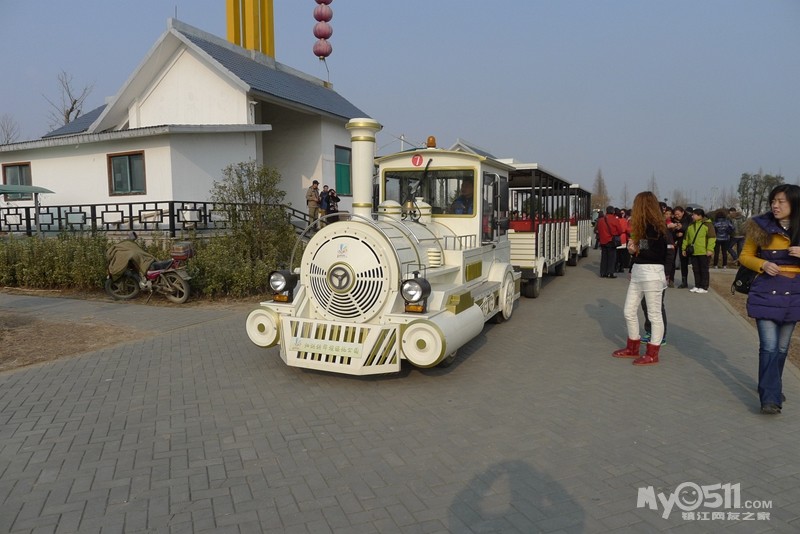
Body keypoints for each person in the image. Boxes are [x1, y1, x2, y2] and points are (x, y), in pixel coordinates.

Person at [739, 184, 800, 415]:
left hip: (794, 293)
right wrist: (762, 264)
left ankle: (772, 384)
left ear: (794, 203)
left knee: (783, 348)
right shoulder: (760, 226)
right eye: (774, 200)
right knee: (769, 347)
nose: (775, 205)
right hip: (766, 291)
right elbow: (745, 256)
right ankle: (770, 397)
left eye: (781, 201)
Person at [612, 191, 669, 365]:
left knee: (654, 314)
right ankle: (633, 346)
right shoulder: (645, 226)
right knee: (629, 311)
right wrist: (635, 251)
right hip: (639, 271)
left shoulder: (656, 227)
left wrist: (635, 248)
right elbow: (645, 250)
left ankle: (652, 352)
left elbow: (657, 254)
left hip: (651, 273)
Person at [682, 208, 715, 293]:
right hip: (693, 251)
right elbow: (686, 238)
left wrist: (710, 249)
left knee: (703, 269)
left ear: (700, 215)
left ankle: (704, 287)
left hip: (704, 251)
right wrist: (684, 248)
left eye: (694, 215)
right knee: (695, 269)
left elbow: (712, 238)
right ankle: (697, 285)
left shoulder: (708, 225)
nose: (692, 216)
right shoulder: (691, 225)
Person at [597, 206, 623, 278]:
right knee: (612, 257)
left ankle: (603, 272)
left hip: (603, 240)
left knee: (604, 257)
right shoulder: (615, 220)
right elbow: (620, 231)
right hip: (611, 240)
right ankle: (610, 272)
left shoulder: (601, 220)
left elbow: (598, 230)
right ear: (613, 212)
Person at [671, 206, 692, 287]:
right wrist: (676, 233)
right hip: (675, 241)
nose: (677, 216)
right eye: (675, 214)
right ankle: (670, 279)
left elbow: (690, 228)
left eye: (678, 214)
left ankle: (684, 281)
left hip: (684, 242)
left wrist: (682, 228)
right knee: (672, 260)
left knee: (683, 262)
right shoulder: (673, 220)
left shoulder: (688, 218)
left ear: (683, 212)